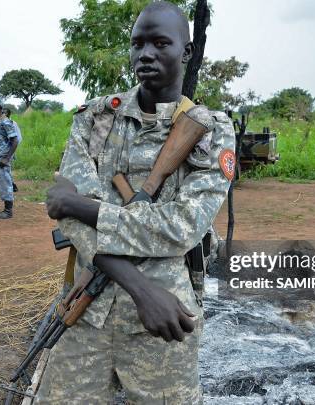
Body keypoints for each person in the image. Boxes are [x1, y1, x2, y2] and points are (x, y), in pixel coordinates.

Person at [37, 2, 235, 403]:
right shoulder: (95, 118)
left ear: (187, 51)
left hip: (164, 320)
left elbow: (181, 228)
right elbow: (66, 216)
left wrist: (85, 208)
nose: (145, 54)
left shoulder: (211, 130)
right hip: (87, 308)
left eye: (161, 43)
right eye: (137, 44)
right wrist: (139, 285)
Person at [2, 107, 22, 193]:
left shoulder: (13, 124)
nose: (3, 114)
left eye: (5, 113)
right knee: (5, 169)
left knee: (6, 168)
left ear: (8, 114)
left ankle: (12, 186)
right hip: (1, 151)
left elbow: (18, 138)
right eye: (2, 112)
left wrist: (11, 150)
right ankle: (11, 185)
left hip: (9, 150)